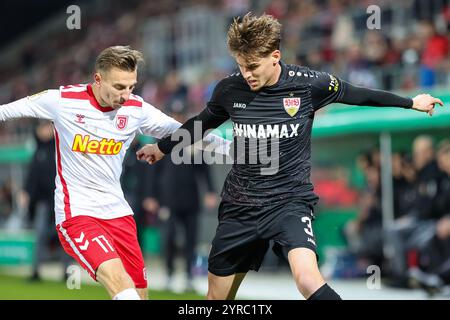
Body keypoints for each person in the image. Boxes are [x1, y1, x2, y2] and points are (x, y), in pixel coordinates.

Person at [136, 13, 444, 300]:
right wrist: (161, 148)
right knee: (217, 298)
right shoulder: (229, 90)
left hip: (289, 202)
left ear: (275, 56)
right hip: (239, 207)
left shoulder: (310, 84)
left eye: (253, 66)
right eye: (241, 66)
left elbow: (359, 93)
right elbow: (200, 124)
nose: (247, 74)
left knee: (308, 280)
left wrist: (410, 102)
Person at [0, 45, 228, 300]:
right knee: (119, 280)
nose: (126, 95)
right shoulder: (62, 101)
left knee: (140, 293)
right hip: (78, 214)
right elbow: (6, 111)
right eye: (119, 87)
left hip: (118, 213)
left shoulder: (136, 109)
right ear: (98, 79)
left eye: (132, 86)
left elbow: (184, 132)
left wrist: (230, 148)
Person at [144, 106, 218, 292]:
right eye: (175, 114)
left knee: (191, 240)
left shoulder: (193, 140)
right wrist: (151, 196)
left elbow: (204, 169)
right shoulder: (162, 141)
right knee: (168, 238)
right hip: (168, 200)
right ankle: (169, 274)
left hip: (190, 198)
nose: (178, 118)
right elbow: (153, 171)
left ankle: (188, 276)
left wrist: (210, 191)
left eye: (180, 115)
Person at [18, 120, 71, 281]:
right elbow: (32, 177)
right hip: (42, 202)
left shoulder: (61, 148)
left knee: (66, 236)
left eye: (47, 127)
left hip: (60, 201)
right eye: (42, 127)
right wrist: (25, 192)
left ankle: (68, 272)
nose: (44, 131)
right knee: (40, 235)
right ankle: (35, 270)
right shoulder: (38, 150)